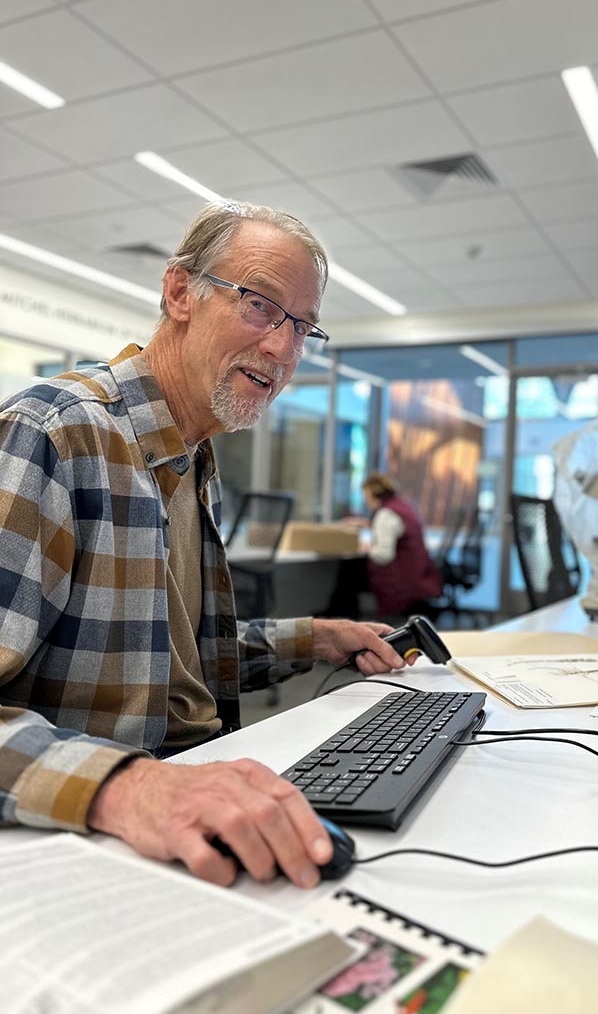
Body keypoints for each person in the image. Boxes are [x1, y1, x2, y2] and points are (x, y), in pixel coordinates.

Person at [0, 201, 410, 890]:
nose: (284, 351)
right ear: (179, 293)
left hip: (193, 790)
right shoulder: (54, 434)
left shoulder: (191, 459)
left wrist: (313, 638)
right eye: (259, 305)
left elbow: (165, 656)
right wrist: (128, 790)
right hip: (94, 836)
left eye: (302, 326)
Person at [361, 472, 443, 625]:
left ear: (373, 494)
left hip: (401, 583)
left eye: (366, 496)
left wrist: (366, 548)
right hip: (418, 574)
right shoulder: (402, 507)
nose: (366, 501)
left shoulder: (385, 514)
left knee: (346, 576)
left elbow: (384, 554)